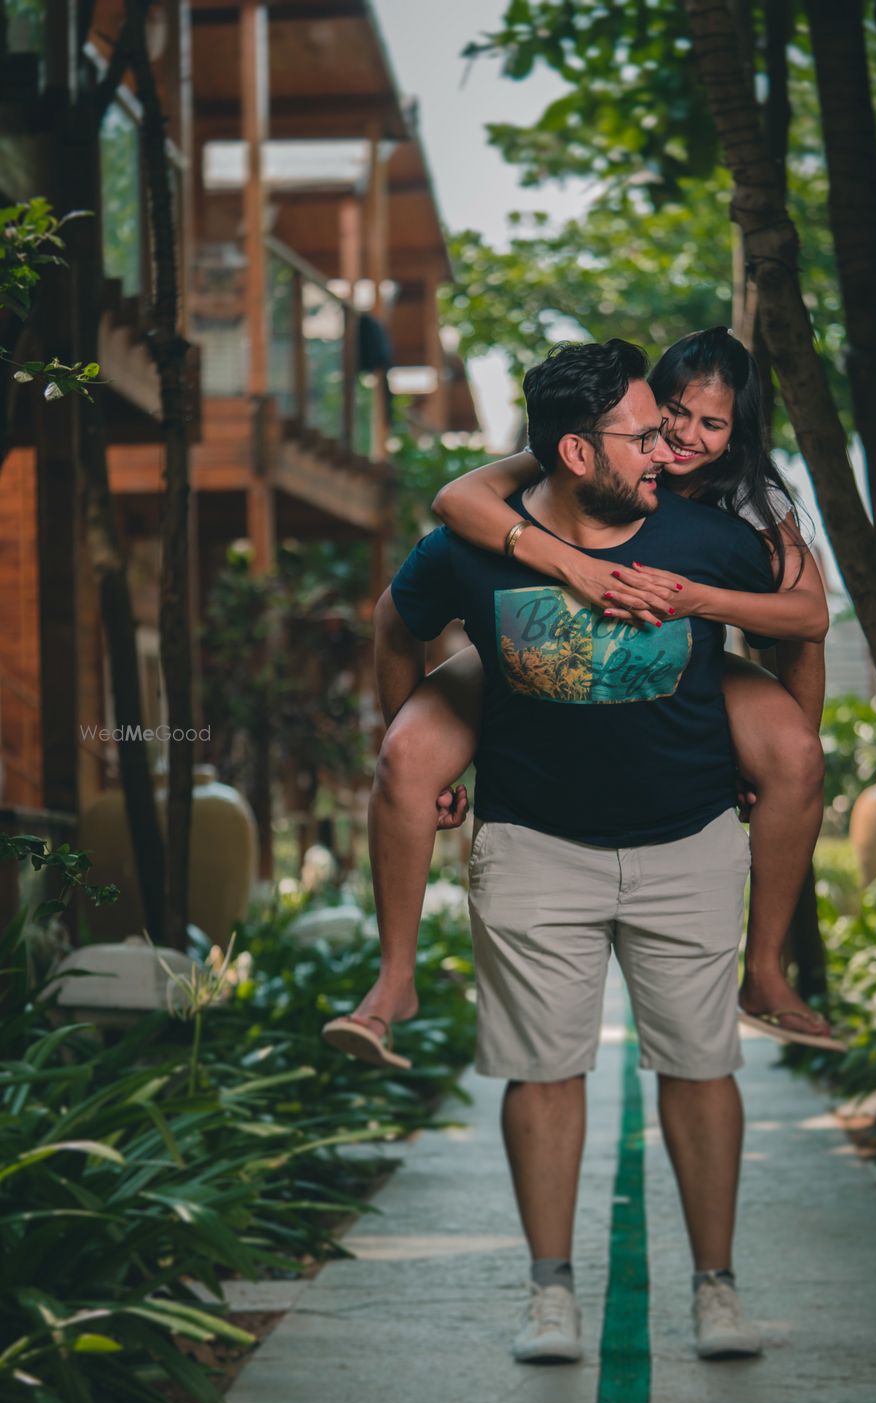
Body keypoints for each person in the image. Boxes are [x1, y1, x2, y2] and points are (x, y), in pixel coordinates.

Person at [329, 337, 790, 1361]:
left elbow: (794, 628)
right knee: (541, 1073)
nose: (668, 449)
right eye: (643, 433)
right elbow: (393, 622)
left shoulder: (708, 537)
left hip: (690, 840)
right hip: (534, 845)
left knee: (701, 1066)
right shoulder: (469, 548)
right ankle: (550, 1295)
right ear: (577, 454)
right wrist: (411, 731)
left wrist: (774, 756)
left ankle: (717, 1290)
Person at [324, 327, 839, 1074]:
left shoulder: (749, 506)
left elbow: (809, 622)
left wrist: (704, 620)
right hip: (530, 647)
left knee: (794, 752)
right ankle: (393, 982)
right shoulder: (579, 445)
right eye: (669, 419)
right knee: (406, 757)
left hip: (684, 649)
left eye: (712, 425)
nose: (681, 442)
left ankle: (763, 970)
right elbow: (454, 500)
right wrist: (570, 565)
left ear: (738, 433)